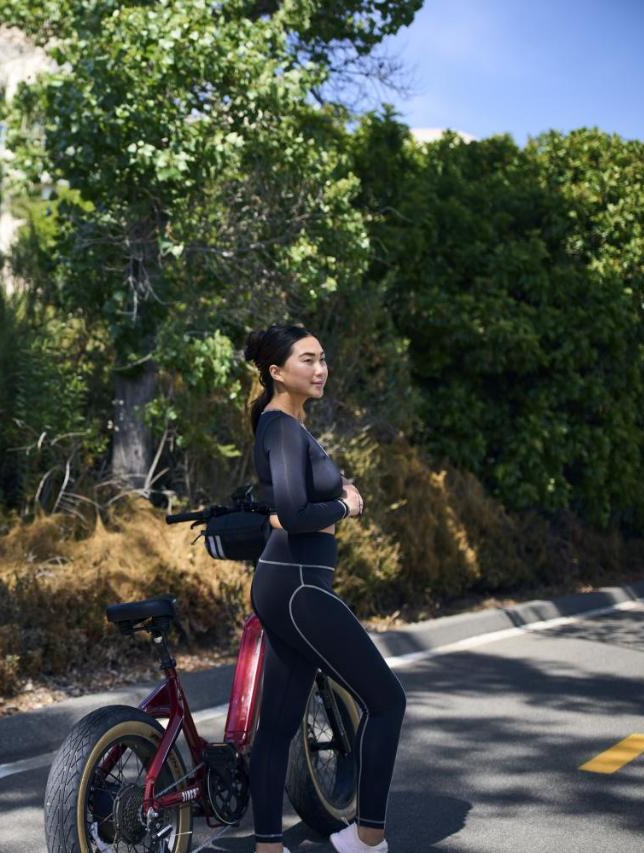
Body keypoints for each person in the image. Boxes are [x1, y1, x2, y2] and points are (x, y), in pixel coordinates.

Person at [242, 323, 406, 853]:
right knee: (386, 702)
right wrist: (346, 504)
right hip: (299, 589)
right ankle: (368, 839)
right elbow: (292, 513)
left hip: (285, 584)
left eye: (323, 359)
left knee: (279, 725)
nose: (320, 369)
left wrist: (338, 489)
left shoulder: (284, 425)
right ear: (276, 372)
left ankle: (268, 846)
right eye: (307, 360)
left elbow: (284, 503)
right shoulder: (283, 427)